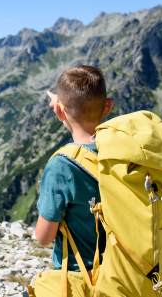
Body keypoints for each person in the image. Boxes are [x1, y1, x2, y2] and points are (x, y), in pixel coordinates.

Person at [35, 65, 113, 273]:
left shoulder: (62, 165)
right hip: (126, 274)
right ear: (108, 107)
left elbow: (43, 237)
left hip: (83, 278)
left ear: (59, 111)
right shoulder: (123, 152)